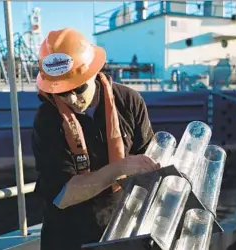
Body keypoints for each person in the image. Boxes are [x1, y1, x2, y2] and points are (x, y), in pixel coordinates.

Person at [32, 28, 160, 250]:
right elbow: (63, 195)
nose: (72, 99)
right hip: (65, 236)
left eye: (77, 88)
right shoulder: (47, 119)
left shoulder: (129, 101)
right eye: (62, 92)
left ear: (92, 72)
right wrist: (119, 168)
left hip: (120, 229)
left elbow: (150, 166)